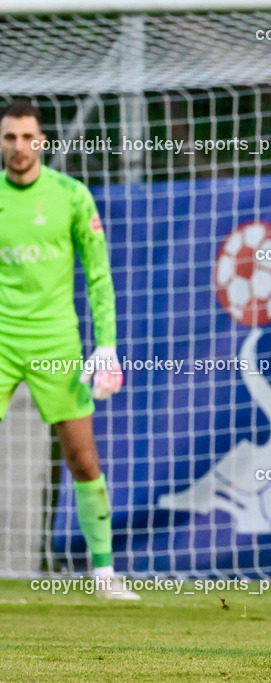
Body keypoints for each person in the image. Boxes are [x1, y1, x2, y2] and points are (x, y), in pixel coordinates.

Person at [0, 100, 137, 600]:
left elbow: (99, 277)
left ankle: (104, 575)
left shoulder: (72, 196)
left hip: (56, 340)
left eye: (27, 137)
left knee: (82, 457)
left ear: (42, 141)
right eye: (9, 137)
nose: (19, 146)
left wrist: (107, 347)